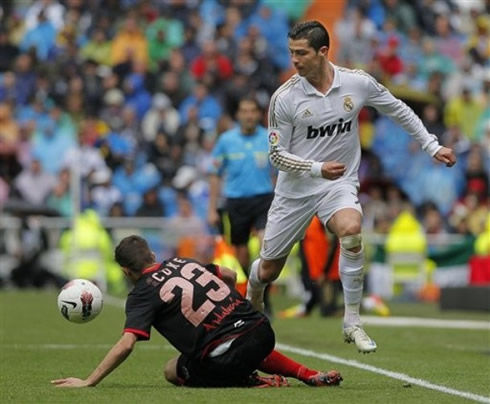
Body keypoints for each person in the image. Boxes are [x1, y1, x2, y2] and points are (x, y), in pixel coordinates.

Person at [246, 21, 456, 354]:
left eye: (301, 53)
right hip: (296, 190)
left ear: (323, 52)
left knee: (352, 228)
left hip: (338, 183)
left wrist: (431, 146)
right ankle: (253, 293)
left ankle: (352, 322)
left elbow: (397, 109)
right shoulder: (284, 98)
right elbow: (276, 155)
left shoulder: (356, 83)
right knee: (270, 268)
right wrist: (317, 168)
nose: (294, 61)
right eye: (291, 53)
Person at [51, 235, 343, 388]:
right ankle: (307, 373)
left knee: (171, 369)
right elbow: (228, 274)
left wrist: (89, 381)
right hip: (262, 329)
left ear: (127, 272)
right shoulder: (182, 261)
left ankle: (251, 380)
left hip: (226, 354)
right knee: (243, 339)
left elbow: (127, 343)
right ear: (152, 255)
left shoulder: (141, 294)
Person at [208, 97, 275, 275]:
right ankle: (250, 285)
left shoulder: (269, 138)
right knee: (242, 253)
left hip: (264, 199)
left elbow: (279, 171)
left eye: (253, 111)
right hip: (236, 201)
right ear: (238, 115)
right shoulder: (226, 141)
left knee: (265, 242)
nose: (249, 116)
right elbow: (214, 173)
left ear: (259, 114)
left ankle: (263, 291)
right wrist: (212, 208)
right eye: (245, 111)